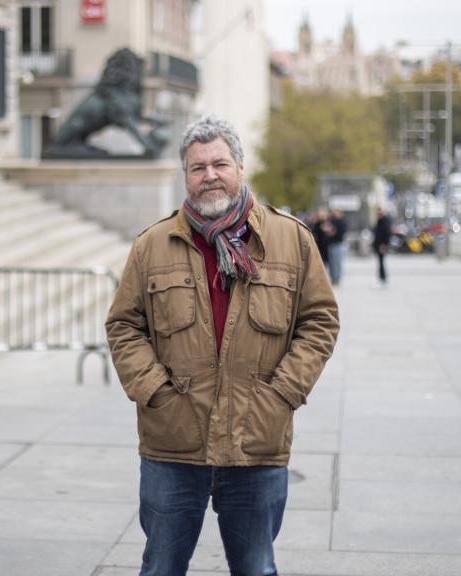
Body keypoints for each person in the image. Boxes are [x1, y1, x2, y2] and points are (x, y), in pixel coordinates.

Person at [106, 116, 340, 576]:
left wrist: (281, 395)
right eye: (197, 167)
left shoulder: (291, 240)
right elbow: (123, 326)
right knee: (160, 569)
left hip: (256, 443)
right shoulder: (152, 245)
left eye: (219, 163)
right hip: (173, 445)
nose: (209, 175)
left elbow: (320, 321)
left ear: (240, 167)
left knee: (256, 569)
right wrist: (155, 392)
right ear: (185, 176)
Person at [372, 207, 392, 287]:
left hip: (381, 245)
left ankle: (383, 279)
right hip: (378, 245)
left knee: (381, 263)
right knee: (380, 263)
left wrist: (384, 244)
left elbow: (386, 233)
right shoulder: (379, 220)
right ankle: (381, 279)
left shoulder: (384, 221)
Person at [328, 209, 347, 285]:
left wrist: (332, 233)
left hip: (338, 244)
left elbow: (340, 234)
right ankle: (333, 278)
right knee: (332, 263)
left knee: (337, 263)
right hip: (331, 244)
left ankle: (337, 279)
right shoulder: (331, 221)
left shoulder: (342, 222)